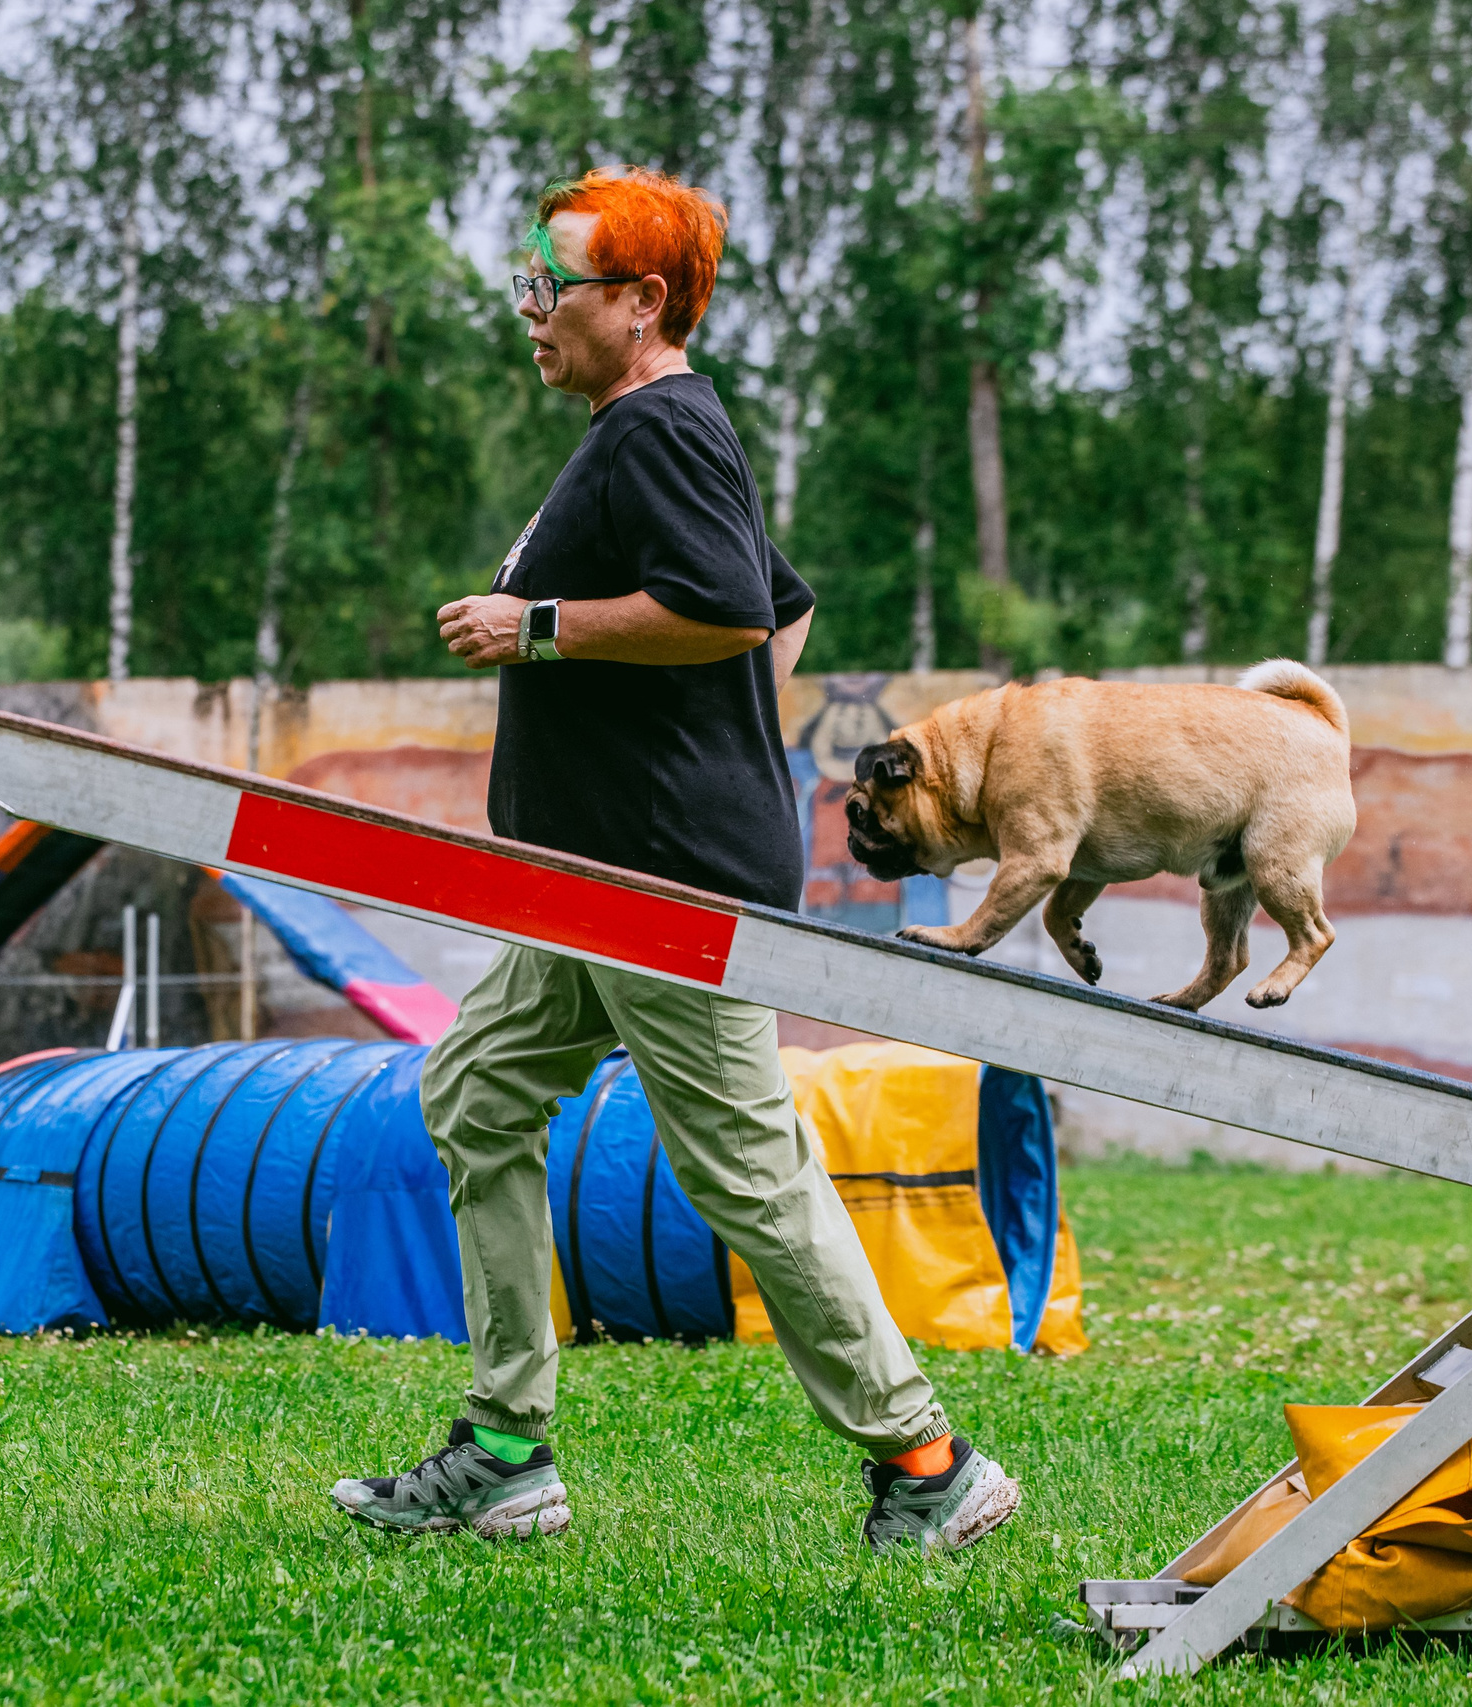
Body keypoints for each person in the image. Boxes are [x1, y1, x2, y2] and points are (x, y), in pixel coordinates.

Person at [328, 167, 1020, 1554]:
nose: (531, 310)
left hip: (660, 881)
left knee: (745, 1169)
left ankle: (930, 1461)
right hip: (607, 871)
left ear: (640, 303)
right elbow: (784, 608)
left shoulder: (656, 427)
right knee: (475, 1090)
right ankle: (507, 1452)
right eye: (527, 282)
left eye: (554, 285)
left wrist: (538, 631)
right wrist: (725, 751)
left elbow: (717, 603)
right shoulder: (644, 430)